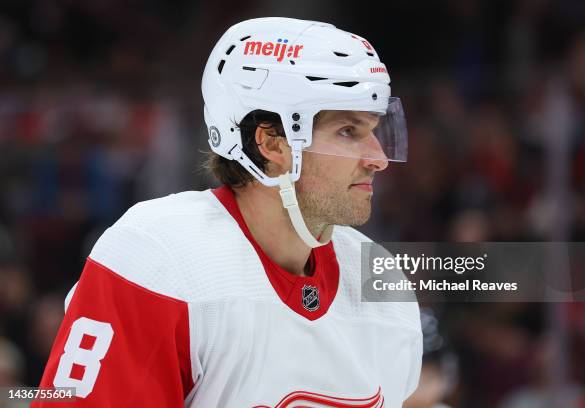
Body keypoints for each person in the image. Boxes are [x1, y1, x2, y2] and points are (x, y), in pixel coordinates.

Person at [35, 17, 422, 407]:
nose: (378, 159)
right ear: (271, 144)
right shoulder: (157, 255)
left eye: (374, 130)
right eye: (348, 132)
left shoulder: (381, 280)